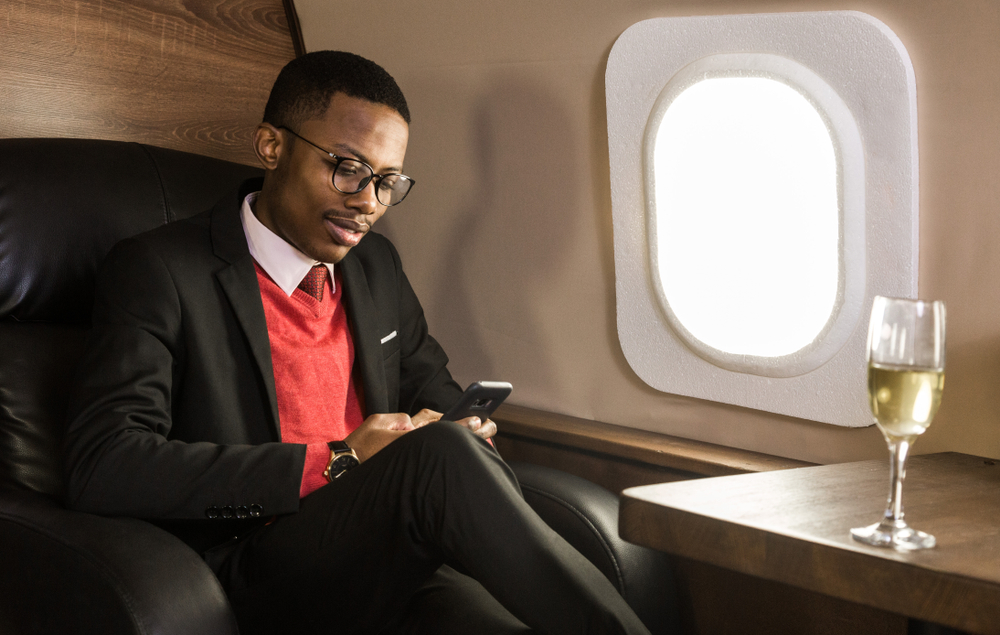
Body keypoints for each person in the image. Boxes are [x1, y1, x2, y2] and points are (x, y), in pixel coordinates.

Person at [63, 50, 650, 635]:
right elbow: (105, 464)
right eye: (347, 168)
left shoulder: (376, 268)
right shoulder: (159, 271)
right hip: (255, 566)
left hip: (390, 552)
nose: (368, 201)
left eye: (387, 182)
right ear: (272, 146)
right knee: (439, 457)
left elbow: (436, 396)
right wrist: (339, 461)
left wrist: (468, 431)